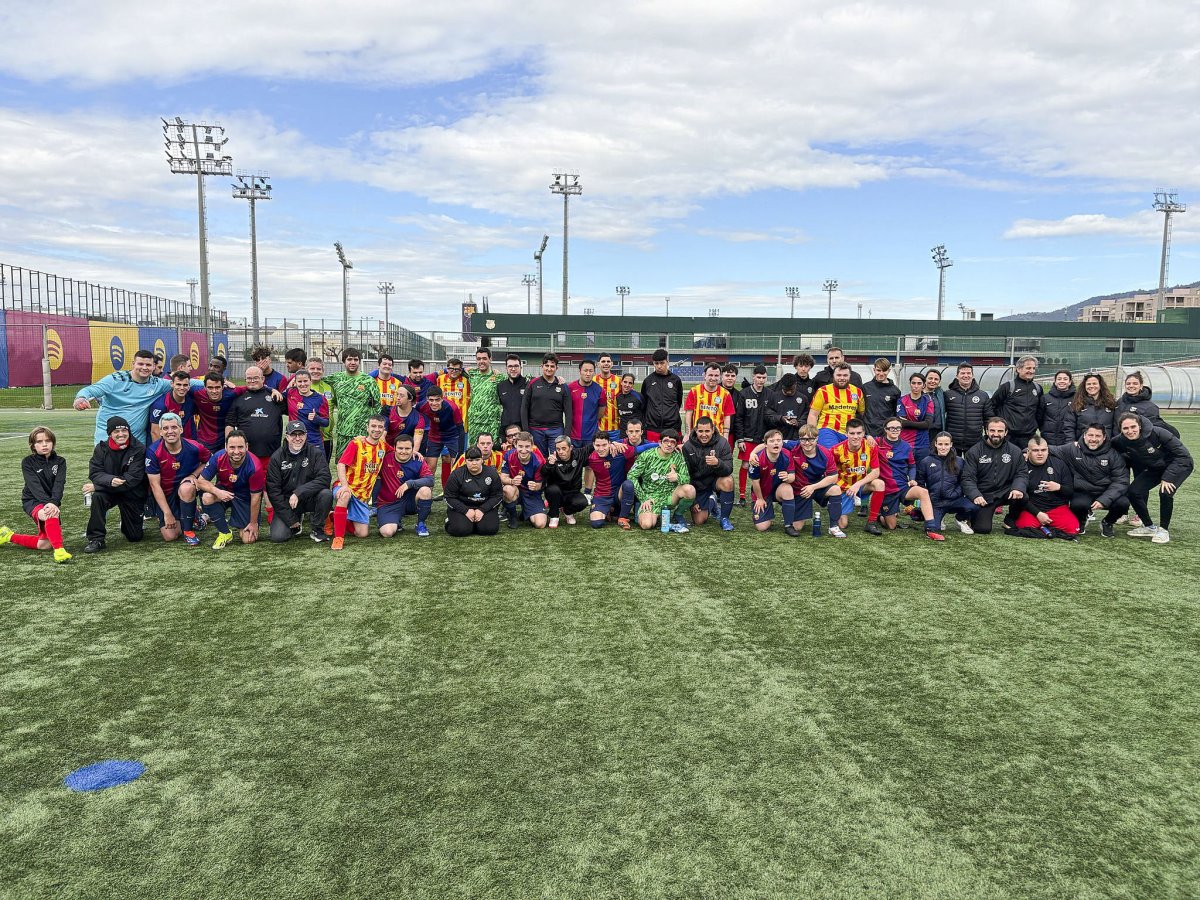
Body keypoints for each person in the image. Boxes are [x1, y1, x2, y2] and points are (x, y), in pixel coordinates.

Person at [1110, 412, 1192, 544]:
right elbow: (1103, 447)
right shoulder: (1120, 441)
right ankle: (1149, 527)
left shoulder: (1158, 433)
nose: (1130, 431)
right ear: (1120, 429)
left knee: (1165, 492)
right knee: (1133, 492)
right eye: (1125, 428)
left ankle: (1163, 530)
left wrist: (1168, 477)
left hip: (1179, 465)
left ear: (1140, 426)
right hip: (1156, 468)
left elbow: (1183, 456)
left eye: (1133, 427)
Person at [0, 426, 72, 562]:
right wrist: (48, 504)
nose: (44, 444)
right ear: (33, 445)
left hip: (50, 501)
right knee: (51, 513)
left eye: (48, 440)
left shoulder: (60, 461)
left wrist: (53, 502)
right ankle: (60, 551)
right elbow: (34, 486)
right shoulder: (28, 462)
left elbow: (59, 485)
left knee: (44, 545)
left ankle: (8, 536)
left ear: (53, 443)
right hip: (32, 500)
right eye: (39, 442)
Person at [225, 365, 288, 521]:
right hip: (247, 454)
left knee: (271, 484)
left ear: (263, 379)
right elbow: (229, 422)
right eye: (249, 378)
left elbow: (291, 408)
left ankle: (273, 514)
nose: (252, 381)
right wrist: (228, 445)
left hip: (271, 452)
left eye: (256, 378)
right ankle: (246, 513)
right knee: (247, 484)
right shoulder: (238, 398)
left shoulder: (274, 397)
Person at [74, 348, 170, 445]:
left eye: (148, 365)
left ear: (154, 366)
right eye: (140, 364)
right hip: (108, 439)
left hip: (136, 444)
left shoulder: (158, 384)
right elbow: (90, 390)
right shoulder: (115, 379)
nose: (144, 368)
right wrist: (81, 398)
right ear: (133, 364)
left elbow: (179, 385)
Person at [1049, 423, 1129, 537]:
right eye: (1090, 435)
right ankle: (1081, 520)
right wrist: (1026, 452)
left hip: (1105, 491)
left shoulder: (1114, 454)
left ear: (1104, 437)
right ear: (1085, 435)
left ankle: (1108, 522)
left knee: (1123, 503)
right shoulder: (1072, 448)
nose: (1094, 439)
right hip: (1083, 491)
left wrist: (1104, 500)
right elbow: (1051, 449)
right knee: (1078, 504)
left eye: (1098, 436)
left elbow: (1121, 480)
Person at [82, 416, 146, 553]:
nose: (121, 434)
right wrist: (109, 481)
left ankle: (127, 524)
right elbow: (95, 473)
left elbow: (133, 479)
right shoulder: (101, 448)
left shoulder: (139, 448)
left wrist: (97, 486)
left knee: (135, 537)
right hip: (108, 491)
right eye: (116, 432)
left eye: (124, 430)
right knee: (98, 497)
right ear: (110, 433)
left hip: (131, 492)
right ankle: (96, 539)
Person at [144, 412, 211, 545]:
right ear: (161, 432)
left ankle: (188, 531)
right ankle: (194, 514)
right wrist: (167, 513)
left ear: (181, 429)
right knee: (170, 536)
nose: (170, 431)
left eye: (174, 427)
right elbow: (154, 485)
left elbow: (210, 461)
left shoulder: (195, 447)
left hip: (185, 489)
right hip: (165, 494)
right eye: (166, 428)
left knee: (187, 487)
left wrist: (194, 476)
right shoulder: (153, 452)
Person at [874, 417, 943, 540]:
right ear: (886, 429)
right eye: (891, 428)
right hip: (888, 490)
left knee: (923, 491)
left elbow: (912, 465)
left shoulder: (906, 446)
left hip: (903, 487)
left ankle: (931, 528)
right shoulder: (877, 442)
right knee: (891, 526)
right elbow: (861, 439)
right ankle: (881, 515)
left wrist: (912, 478)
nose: (895, 430)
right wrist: (869, 437)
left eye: (898, 428)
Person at [266, 421, 334, 544]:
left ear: (306, 435)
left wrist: (298, 492)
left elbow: (325, 478)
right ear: (287, 437)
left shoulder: (315, 453)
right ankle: (296, 521)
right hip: (288, 503)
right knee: (278, 537)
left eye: (301, 434)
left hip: (310, 498)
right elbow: (273, 491)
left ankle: (317, 528)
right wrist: (290, 520)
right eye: (293, 435)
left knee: (326, 494)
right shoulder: (277, 457)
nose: (297, 438)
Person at [197, 429, 265, 550]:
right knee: (207, 497)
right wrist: (217, 491)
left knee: (248, 539)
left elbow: (256, 497)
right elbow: (200, 481)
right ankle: (225, 533)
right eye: (232, 447)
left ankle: (241, 522)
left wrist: (253, 523)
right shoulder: (218, 457)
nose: (236, 452)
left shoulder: (255, 466)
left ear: (247, 447)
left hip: (245, 498)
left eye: (240, 447)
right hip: (225, 492)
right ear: (226, 447)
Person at [329, 414, 389, 550]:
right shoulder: (356, 443)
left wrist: (415, 452)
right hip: (346, 487)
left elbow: (398, 453)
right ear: (367, 428)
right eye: (373, 426)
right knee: (344, 495)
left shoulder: (383, 447)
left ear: (383, 429)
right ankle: (338, 538)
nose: (376, 429)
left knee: (362, 533)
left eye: (380, 427)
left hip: (362, 496)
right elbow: (341, 464)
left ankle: (334, 516)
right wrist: (345, 485)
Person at [960, 417, 1025, 535]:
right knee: (982, 529)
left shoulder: (1015, 451)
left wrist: (1017, 487)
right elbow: (967, 478)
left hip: (1005, 491)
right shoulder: (974, 451)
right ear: (986, 431)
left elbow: (1021, 473)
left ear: (1006, 432)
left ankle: (1010, 519)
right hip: (984, 496)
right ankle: (972, 516)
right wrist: (975, 495)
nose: (996, 434)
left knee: (1023, 495)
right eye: (992, 430)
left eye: (1000, 431)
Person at [1007, 437, 1078, 540]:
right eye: (1035, 450)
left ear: (1048, 451)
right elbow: (1021, 497)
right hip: (1032, 509)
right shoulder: (1022, 466)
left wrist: (1059, 487)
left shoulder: (1059, 464)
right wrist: (1037, 513)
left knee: (1073, 529)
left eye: (1043, 450)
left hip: (1056, 507)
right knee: (1024, 526)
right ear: (1028, 452)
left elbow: (1070, 492)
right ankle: (1047, 529)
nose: (1040, 454)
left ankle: (1044, 529)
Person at [627, 428, 695, 532]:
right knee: (646, 525)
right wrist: (643, 498)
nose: (669, 444)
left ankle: (677, 514)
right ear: (659, 442)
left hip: (670, 497)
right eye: (666, 441)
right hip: (651, 498)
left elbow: (687, 479)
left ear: (676, 444)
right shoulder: (646, 455)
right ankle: (657, 515)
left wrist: (678, 477)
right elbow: (631, 476)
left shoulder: (678, 457)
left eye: (673, 442)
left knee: (690, 490)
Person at [326, 348, 383, 462]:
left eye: (356, 359)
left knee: (362, 463)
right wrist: (293, 380)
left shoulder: (368, 380)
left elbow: (377, 405)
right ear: (343, 361)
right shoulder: (336, 378)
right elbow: (314, 379)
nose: (353, 362)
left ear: (359, 362)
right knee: (342, 463)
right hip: (343, 431)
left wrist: (371, 427)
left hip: (363, 431)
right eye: (349, 359)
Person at [831, 418, 884, 535]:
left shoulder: (871, 446)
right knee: (842, 525)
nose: (856, 437)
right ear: (846, 434)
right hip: (844, 487)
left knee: (879, 484)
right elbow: (830, 474)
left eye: (859, 433)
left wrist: (857, 485)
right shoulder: (836, 450)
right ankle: (835, 503)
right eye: (852, 433)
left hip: (860, 485)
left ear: (864, 433)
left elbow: (876, 472)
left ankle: (871, 522)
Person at [917, 432, 977, 535]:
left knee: (974, 506)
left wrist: (955, 493)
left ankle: (960, 519)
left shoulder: (959, 461)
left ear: (951, 444)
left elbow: (964, 481)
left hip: (954, 500)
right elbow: (920, 483)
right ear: (935, 444)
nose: (943, 447)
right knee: (933, 529)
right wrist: (927, 499)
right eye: (940, 444)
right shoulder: (926, 462)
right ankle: (940, 518)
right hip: (936, 503)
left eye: (946, 444)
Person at [376, 433, 435, 538]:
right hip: (389, 503)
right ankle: (395, 522)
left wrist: (409, 483)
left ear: (413, 449)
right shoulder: (385, 458)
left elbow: (430, 480)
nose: (403, 451)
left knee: (426, 490)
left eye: (407, 448)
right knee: (387, 533)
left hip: (411, 501)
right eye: (400, 448)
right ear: (394, 448)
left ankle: (420, 523)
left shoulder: (418, 460)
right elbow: (372, 443)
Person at [682, 416, 735, 530]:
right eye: (700, 431)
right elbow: (685, 475)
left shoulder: (722, 443)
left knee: (728, 481)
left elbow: (729, 469)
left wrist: (717, 463)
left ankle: (724, 518)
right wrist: (693, 501)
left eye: (707, 431)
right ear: (696, 430)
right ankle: (712, 501)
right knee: (699, 521)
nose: (704, 434)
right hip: (698, 485)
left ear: (713, 429)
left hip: (715, 481)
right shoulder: (688, 446)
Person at [746, 429, 799, 536]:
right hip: (762, 492)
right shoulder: (756, 459)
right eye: (772, 441)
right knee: (762, 527)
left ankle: (789, 526)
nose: (776, 443)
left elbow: (792, 477)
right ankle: (766, 514)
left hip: (778, 490)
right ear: (765, 444)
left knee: (788, 488)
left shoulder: (787, 454)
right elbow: (755, 482)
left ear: (782, 442)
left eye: (779, 440)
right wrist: (760, 499)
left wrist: (788, 477)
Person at [444, 447, 503, 538]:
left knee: (489, 530)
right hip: (463, 507)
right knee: (461, 530)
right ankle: (450, 521)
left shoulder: (492, 473)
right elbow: (449, 497)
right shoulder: (456, 474)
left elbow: (497, 496)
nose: (474, 463)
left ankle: (475, 524)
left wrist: (482, 510)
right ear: (465, 460)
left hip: (484, 506)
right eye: (470, 460)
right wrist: (466, 510)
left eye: (477, 459)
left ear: (482, 459)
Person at [733, 365, 771, 506]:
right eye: (759, 377)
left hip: (763, 438)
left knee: (763, 466)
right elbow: (739, 418)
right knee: (745, 464)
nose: (761, 380)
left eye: (764, 378)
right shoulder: (744, 394)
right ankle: (742, 495)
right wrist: (740, 438)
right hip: (748, 437)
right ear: (753, 377)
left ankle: (758, 493)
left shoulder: (769, 394)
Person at [521, 353, 572, 458]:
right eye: (547, 365)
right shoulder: (532, 384)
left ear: (556, 368)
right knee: (539, 460)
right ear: (542, 366)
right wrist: (526, 431)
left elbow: (569, 412)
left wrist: (566, 434)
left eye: (552, 366)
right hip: (536, 430)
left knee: (558, 458)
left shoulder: (562, 386)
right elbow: (524, 408)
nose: (549, 369)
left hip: (556, 430)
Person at [584, 432, 638, 529]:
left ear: (609, 443)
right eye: (597, 445)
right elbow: (572, 456)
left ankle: (622, 518)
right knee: (596, 524)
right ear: (593, 445)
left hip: (618, 494)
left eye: (604, 445)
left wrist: (661, 445)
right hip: (602, 495)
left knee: (629, 485)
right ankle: (609, 510)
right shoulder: (590, 457)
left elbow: (643, 447)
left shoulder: (620, 451)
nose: (601, 449)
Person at [808, 364, 866, 449]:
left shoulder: (857, 392)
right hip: (827, 430)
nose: (842, 378)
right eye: (839, 375)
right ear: (833, 376)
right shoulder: (823, 391)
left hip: (850, 432)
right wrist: (812, 435)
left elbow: (863, 413)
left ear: (850, 376)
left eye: (845, 375)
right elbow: (813, 415)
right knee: (831, 454)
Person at [418, 386, 465, 491]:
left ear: (442, 398)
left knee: (457, 467)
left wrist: (460, 452)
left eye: (437, 400)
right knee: (430, 467)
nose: (434, 403)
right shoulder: (422, 406)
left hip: (452, 436)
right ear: (427, 399)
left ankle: (453, 496)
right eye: (431, 400)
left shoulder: (452, 407)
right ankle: (427, 496)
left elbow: (461, 430)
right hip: (434, 437)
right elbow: (411, 413)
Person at [990, 356, 1043, 448]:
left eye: (1034, 368)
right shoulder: (1007, 387)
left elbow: (1040, 411)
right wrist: (1000, 425)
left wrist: (1035, 425)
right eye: (1028, 368)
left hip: (1029, 436)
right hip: (1009, 436)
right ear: (1018, 369)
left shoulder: (1037, 388)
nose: (1032, 371)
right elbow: (992, 406)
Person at [501, 431, 549, 529]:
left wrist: (535, 486)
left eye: (527, 446)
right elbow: (503, 477)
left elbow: (540, 485)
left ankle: (525, 512)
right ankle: (513, 517)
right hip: (516, 490)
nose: (523, 450)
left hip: (531, 493)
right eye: (520, 446)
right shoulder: (509, 455)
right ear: (515, 445)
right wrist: (512, 481)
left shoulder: (539, 461)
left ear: (532, 446)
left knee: (540, 524)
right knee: (507, 489)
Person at [191, 371, 246, 453]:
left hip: (223, 440)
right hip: (204, 439)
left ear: (223, 387)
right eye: (210, 388)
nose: (214, 391)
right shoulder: (197, 392)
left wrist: (271, 390)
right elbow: (180, 384)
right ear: (205, 387)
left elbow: (251, 387)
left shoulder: (231, 393)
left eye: (217, 387)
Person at [542, 435, 590, 527]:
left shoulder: (579, 454)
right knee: (553, 490)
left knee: (583, 502)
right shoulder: (553, 459)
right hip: (556, 494)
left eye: (564, 448)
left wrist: (612, 444)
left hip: (572, 492)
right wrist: (549, 465)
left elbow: (594, 446)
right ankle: (554, 515)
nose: (561, 452)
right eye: (558, 449)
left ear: (571, 447)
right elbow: (543, 474)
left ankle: (567, 511)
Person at [943, 362, 992, 454]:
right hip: (952, 442)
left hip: (975, 442)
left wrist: (988, 436)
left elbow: (988, 418)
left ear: (973, 376)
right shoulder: (948, 394)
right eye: (962, 373)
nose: (966, 376)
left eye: (968, 373)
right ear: (957, 376)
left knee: (973, 468)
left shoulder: (983, 395)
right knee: (953, 468)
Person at [1116, 371, 1180, 437]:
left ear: (1141, 386)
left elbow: (1153, 429)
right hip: (1116, 442)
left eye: (1135, 383)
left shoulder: (1150, 407)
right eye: (1128, 384)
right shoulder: (1119, 402)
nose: (1131, 386)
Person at [683, 363, 735, 441]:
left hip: (717, 436)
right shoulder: (694, 391)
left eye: (716, 375)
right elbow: (689, 413)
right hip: (697, 435)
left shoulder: (725, 394)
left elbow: (727, 416)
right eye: (710, 375)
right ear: (704, 375)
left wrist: (726, 436)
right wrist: (688, 434)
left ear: (720, 377)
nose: (713, 378)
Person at [465, 346, 504, 447]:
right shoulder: (471, 374)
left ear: (490, 359)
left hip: (491, 423)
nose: (481, 361)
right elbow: (452, 368)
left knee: (491, 451)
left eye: (484, 358)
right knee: (474, 452)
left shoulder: (499, 377)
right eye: (478, 359)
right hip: (474, 422)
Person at [640, 349, 683, 439]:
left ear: (667, 362)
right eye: (656, 363)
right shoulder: (648, 381)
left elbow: (678, 401)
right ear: (653, 364)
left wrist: (671, 416)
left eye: (662, 363)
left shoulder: (676, 380)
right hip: (653, 428)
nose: (659, 366)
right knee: (653, 452)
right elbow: (644, 404)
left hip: (673, 427)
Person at [285, 368, 330, 451]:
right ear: (295, 382)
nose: (303, 384)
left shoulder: (320, 399)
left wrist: (317, 418)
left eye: (305, 381)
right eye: (300, 381)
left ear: (310, 381)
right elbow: (277, 397)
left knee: (317, 464)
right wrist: (272, 390)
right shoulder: (290, 392)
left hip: (314, 441)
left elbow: (326, 422)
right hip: (295, 441)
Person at [896, 371, 936, 461]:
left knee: (921, 472)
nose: (916, 386)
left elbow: (928, 424)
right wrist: (921, 423)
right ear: (910, 384)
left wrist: (907, 422)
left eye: (919, 383)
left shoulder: (928, 401)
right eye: (913, 383)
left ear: (924, 385)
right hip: (905, 442)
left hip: (922, 444)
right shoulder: (902, 400)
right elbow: (901, 423)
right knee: (904, 471)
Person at [568, 359, 607, 449]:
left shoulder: (599, 390)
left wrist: (589, 420)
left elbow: (601, 413)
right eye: (585, 370)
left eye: (591, 371)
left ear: (594, 372)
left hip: (591, 437)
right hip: (573, 436)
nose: (588, 374)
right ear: (580, 371)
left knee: (590, 462)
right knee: (574, 462)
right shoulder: (570, 388)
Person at [149, 371, 197, 442]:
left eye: (185, 385)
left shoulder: (192, 399)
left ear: (189, 386)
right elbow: (155, 432)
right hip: (168, 446)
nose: (182, 388)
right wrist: (162, 451)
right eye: (178, 384)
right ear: (172, 384)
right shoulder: (160, 405)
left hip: (189, 443)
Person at [862, 358, 901, 437]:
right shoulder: (865, 388)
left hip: (886, 433)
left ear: (889, 371)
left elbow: (895, 414)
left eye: (884, 371)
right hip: (868, 432)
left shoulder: (895, 391)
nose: (881, 373)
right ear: (874, 370)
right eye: (878, 370)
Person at [1071, 372, 1117, 439]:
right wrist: (1072, 443)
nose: (1091, 386)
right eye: (1088, 384)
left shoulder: (1111, 403)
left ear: (1100, 385)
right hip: (1084, 445)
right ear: (1084, 386)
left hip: (1106, 445)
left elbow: (1116, 426)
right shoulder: (1077, 404)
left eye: (1094, 383)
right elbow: (1069, 426)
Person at [307, 357, 336, 459]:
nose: (316, 371)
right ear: (307, 370)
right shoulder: (301, 387)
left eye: (319, 369)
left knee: (323, 470)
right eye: (312, 369)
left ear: (323, 371)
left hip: (327, 438)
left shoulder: (330, 387)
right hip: (307, 438)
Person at [1041, 370, 1077, 446]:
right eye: (1059, 379)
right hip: (1048, 440)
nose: (1062, 381)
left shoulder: (1077, 398)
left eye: (1065, 379)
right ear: (1055, 381)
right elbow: (1039, 418)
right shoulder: (1045, 398)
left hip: (1068, 440)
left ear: (1070, 382)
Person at [386, 385, 426, 452]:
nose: (397, 398)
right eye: (397, 394)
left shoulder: (419, 419)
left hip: (406, 453)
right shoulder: (387, 411)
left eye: (401, 395)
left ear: (410, 399)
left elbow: (417, 442)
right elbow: (382, 436)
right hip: (387, 450)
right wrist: (391, 452)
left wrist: (411, 455)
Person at [496, 354, 528, 436]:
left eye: (516, 366)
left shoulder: (528, 383)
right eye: (510, 366)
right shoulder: (500, 386)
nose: (513, 369)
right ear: (506, 368)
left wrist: (558, 378)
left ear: (521, 367)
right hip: (506, 429)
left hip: (523, 429)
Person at [766, 374, 804, 441]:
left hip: (796, 438)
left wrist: (798, 423)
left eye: (791, 389)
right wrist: (779, 418)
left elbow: (806, 417)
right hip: (778, 438)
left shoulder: (803, 399)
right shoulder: (773, 397)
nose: (789, 391)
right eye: (786, 389)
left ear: (795, 384)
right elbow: (767, 416)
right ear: (782, 385)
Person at [594, 353, 623, 438]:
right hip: (597, 428)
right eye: (603, 361)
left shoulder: (619, 381)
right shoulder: (593, 381)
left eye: (608, 361)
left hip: (615, 428)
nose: (606, 363)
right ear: (598, 364)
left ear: (612, 364)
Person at [373, 354, 403, 419]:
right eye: (384, 364)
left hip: (392, 418)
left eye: (390, 365)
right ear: (378, 365)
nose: (387, 366)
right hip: (375, 419)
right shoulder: (372, 382)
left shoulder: (398, 383)